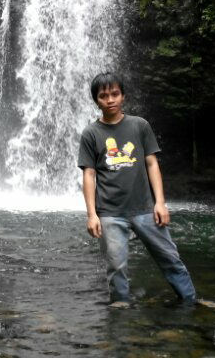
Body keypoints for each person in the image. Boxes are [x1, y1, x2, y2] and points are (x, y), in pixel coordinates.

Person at [77, 72, 197, 308]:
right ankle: (120, 306)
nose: (110, 99)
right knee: (116, 266)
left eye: (115, 94)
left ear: (123, 96)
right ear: (96, 101)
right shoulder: (91, 133)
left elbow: (152, 163)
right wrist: (92, 214)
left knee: (170, 257)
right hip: (110, 212)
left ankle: (191, 300)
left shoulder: (140, 125)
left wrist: (160, 202)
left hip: (145, 208)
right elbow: (89, 174)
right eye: (103, 96)